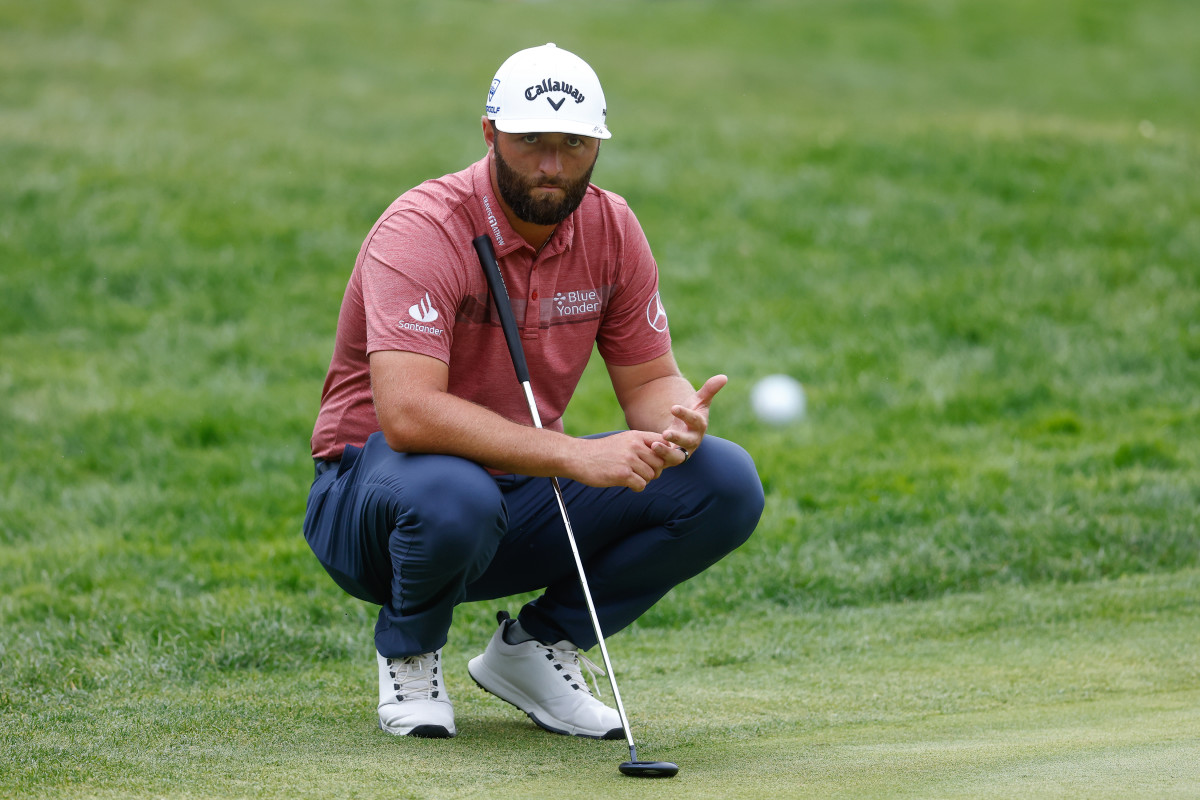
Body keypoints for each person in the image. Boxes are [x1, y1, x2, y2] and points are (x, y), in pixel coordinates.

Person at [303, 43, 764, 740]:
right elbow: (407, 415)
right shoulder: (424, 228)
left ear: (598, 144)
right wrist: (573, 455)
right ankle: (410, 650)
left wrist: (677, 424)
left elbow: (648, 385)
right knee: (455, 494)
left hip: (515, 494)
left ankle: (536, 650)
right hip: (374, 503)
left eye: (573, 145)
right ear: (490, 134)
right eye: (531, 143)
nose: (551, 165)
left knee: (724, 481)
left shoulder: (611, 228)